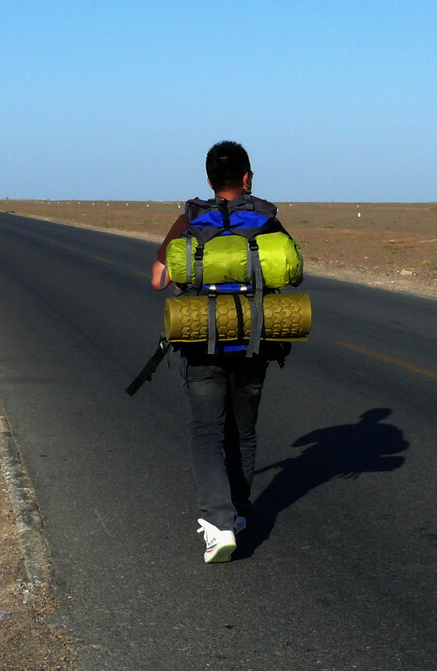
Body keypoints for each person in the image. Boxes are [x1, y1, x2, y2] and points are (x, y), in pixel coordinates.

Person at [151, 140, 300, 563]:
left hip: (203, 344)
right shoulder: (268, 221)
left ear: (210, 180)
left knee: (206, 433)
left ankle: (217, 523)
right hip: (254, 341)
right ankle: (237, 513)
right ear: (247, 177)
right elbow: (295, 274)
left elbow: (158, 280)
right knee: (243, 431)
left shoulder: (190, 219)